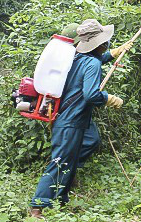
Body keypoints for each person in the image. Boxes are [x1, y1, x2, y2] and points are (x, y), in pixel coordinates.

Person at [30, 19, 131, 217]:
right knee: (60, 161)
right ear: (98, 43)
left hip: (77, 118)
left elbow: (93, 61)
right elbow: (91, 95)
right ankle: (37, 207)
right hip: (71, 120)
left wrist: (115, 52)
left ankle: (61, 193)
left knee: (91, 141)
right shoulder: (91, 62)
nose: (107, 43)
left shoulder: (77, 57)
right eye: (106, 42)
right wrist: (110, 98)